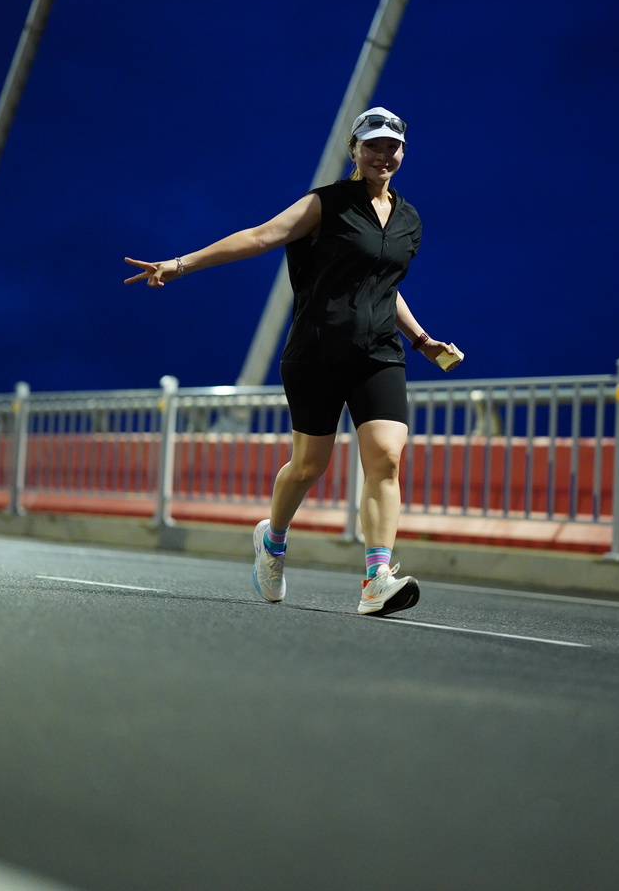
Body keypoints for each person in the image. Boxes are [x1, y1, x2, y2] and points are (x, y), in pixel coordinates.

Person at [124, 106, 463, 616]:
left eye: (392, 147)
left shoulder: (409, 219)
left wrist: (421, 340)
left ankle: (377, 578)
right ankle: (273, 542)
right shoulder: (326, 203)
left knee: (387, 459)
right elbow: (261, 236)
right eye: (372, 145)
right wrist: (180, 264)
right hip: (317, 350)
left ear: (403, 152)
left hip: (379, 354)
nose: (383, 155)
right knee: (309, 465)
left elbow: (384, 286)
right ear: (354, 150)